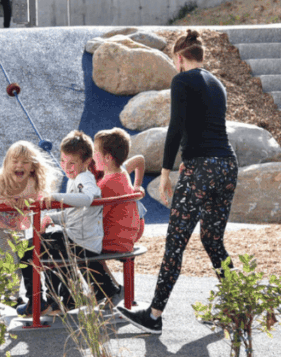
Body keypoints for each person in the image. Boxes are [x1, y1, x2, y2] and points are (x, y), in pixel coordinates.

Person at [117, 30, 238, 334]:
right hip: (226, 165)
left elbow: (176, 128)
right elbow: (203, 127)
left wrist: (168, 171)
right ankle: (236, 307)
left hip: (200, 170)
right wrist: (191, 156)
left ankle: (154, 316)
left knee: (176, 242)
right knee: (212, 240)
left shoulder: (182, 80)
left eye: (174, 61)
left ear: (180, 58)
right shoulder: (217, 84)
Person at [17, 131, 104, 317]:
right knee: (47, 248)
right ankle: (65, 298)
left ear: (87, 162)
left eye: (72, 163)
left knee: (27, 251)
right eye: (63, 161)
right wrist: (53, 218)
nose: (66, 167)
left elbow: (88, 198)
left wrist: (55, 197)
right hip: (76, 236)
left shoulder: (84, 179)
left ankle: (37, 302)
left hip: (79, 240)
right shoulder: (76, 179)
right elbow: (74, 213)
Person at [0, 141, 56, 296]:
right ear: (7, 164)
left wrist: (27, 203)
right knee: (11, 261)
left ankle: (8, 296)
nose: (19, 165)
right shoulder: (0, 180)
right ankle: (8, 297)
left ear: (33, 167)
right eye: (15, 161)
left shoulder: (33, 184)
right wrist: (2, 201)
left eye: (25, 162)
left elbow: (40, 200)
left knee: (19, 260)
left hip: (17, 226)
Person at [92, 127, 147, 302]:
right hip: (130, 230)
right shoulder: (121, 172)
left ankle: (108, 290)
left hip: (117, 237)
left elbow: (95, 217)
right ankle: (113, 289)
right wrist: (136, 185)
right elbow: (140, 159)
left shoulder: (106, 184)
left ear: (107, 158)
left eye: (95, 152)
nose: (93, 156)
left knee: (79, 246)